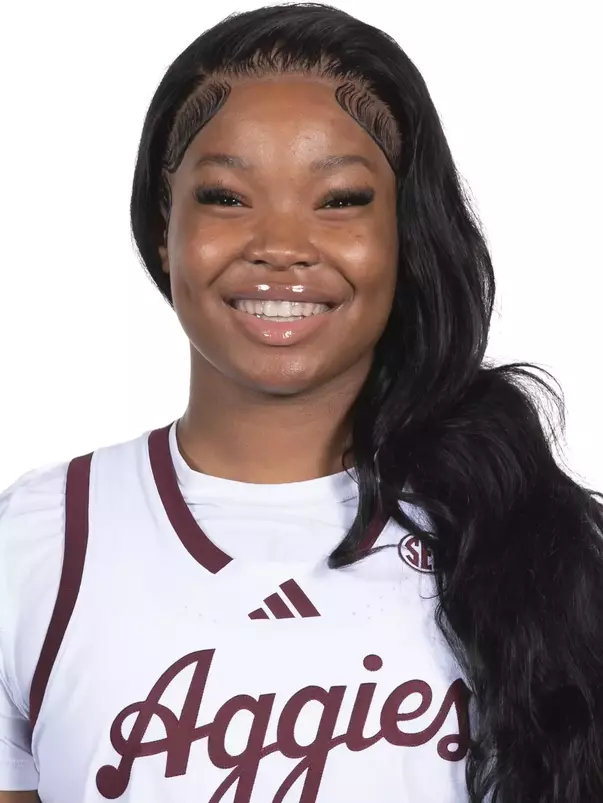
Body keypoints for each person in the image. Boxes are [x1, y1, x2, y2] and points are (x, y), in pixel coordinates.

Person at [1, 3, 602, 802]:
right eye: (224, 196)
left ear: (404, 233)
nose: (280, 244)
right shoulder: (36, 544)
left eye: (341, 200)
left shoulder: (535, 541)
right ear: (160, 227)